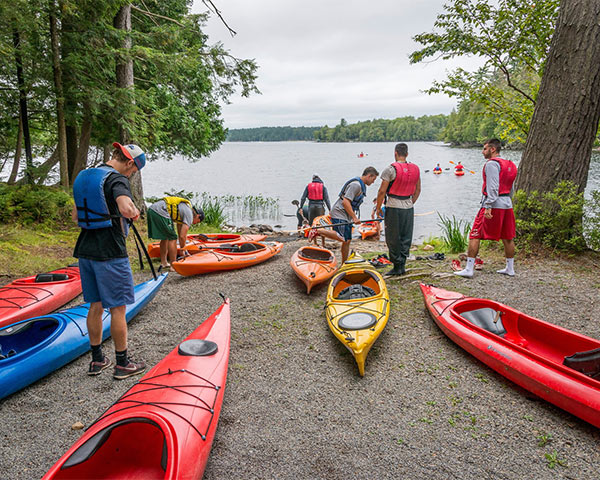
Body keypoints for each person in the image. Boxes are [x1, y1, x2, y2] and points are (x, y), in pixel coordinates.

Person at [72, 142, 147, 379]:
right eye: (133, 171)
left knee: (95, 306)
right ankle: (123, 363)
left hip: (85, 249)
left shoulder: (85, 176)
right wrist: (134, 212)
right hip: (110, 252)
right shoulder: (116, 179)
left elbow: (76, 215)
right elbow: (126, 208)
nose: (131, 174)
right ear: (129, 162)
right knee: (118, 308)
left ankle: (97, 360)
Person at [455, 138, 518, 278]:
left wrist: (488, 205)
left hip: (493, 204)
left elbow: (493, 187)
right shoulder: (510, 164)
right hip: (507, 204)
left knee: (475, 234)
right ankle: (510, 268)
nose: (482, 152)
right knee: (508, 236)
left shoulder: (491, 164)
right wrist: (508, 201)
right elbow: (511, 188)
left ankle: (469, 269)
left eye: (484, 149)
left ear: (492, 149)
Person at [375, 143, 421, 276]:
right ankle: (402, 265)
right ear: (407, 154)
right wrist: (411, 202)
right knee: (406, 235)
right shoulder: (415, 169)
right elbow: (418, 190)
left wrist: (378, 208)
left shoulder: (390, 169)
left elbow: (382, 191)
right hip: (408, 206)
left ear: (395, 153)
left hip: (393, 206)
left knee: (392, 237)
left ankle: (397, 267)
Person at [330, 166, 379, 263]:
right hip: (339, 213)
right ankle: (319, 231)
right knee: (342, 237)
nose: (373, 182)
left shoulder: (362, 186)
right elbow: (345, 202)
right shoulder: (356, 185)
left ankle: (344, 263)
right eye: (373, 179)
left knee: (347, 240)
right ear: (369, 176)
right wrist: (354, 217)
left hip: (346, 215)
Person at [147, 196, 205, 269]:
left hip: (152, 210)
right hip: (160, 211)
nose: (194, 223)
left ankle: (164, 263)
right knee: (173, 238)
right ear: (198, 216)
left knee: (165, 237)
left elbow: (180, 233)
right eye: (197, 222)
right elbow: (182, 236)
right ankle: (173, 265)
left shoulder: (184, 212)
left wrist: (183, 249)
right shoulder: (189, 215)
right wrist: (183, 250)